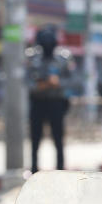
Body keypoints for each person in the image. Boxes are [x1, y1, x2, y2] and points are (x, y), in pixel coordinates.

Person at [25, 25, 74, 173]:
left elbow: (72, 80)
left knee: (58, 138)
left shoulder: (63, 58)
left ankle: (60, 168)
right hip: (37, 102)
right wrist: (41, 85)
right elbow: (27, 81)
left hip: (56, 102)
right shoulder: (32, 57)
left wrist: (58, 83)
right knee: (35, 138)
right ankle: (34, 168)